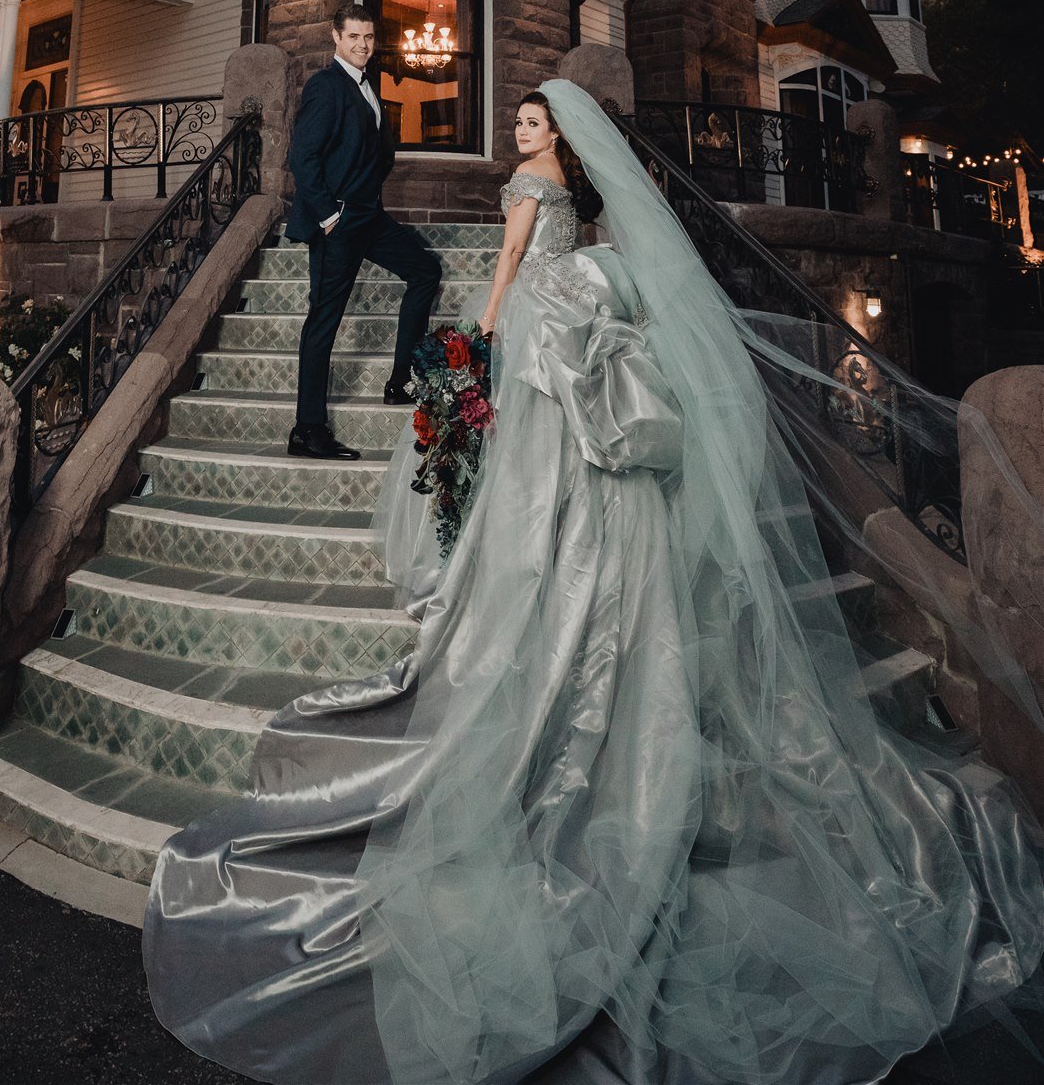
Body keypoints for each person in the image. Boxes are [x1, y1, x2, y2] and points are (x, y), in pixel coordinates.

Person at [143, 79, 1044, 1085]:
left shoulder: (530, 184)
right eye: (519, 122)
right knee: (570, 485)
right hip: (575, 336)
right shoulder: (584, 199)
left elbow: (514, 265)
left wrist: (477, 335)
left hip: (538, 334)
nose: (518, 137)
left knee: (531, 482)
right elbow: (582, 264)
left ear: (558, 139)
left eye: (530, 123)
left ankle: (537, 599)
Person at [283, 1, 441, 462]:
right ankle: (306, 429)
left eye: (368, 37)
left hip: (368, 214)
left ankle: (400, 381)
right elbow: (302, 157)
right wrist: (329, 215)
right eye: (353, 36)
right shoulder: (325, 86)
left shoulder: (368, 83)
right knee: (323, 323)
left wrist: (366, 192)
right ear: (336, 37)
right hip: (338, 222)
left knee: (424, 271)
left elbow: (378, 150)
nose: (362, 45)